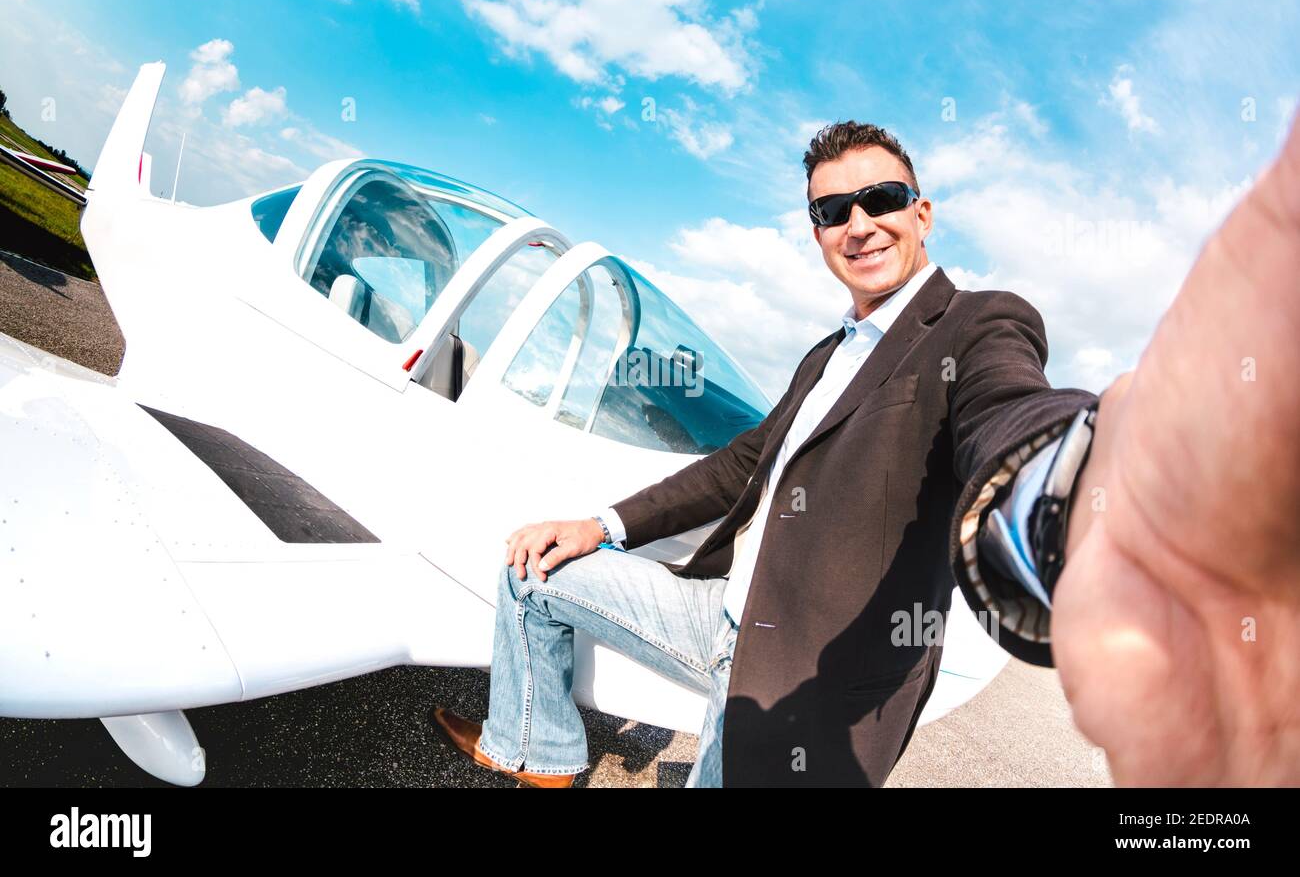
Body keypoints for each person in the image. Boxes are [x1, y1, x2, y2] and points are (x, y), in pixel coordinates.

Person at [432, 114, 1300, 787]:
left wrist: (1070, 485)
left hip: (808, 673)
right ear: (816, 232)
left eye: (881, 200)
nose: (860, 223)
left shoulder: (980, 322)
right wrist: (601, 524)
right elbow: (744, 464)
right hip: (721, 615)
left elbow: (1006, 409)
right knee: (531, 570)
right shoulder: (825, 354)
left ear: (921, 214)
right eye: (832, 210)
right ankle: (537, 749)